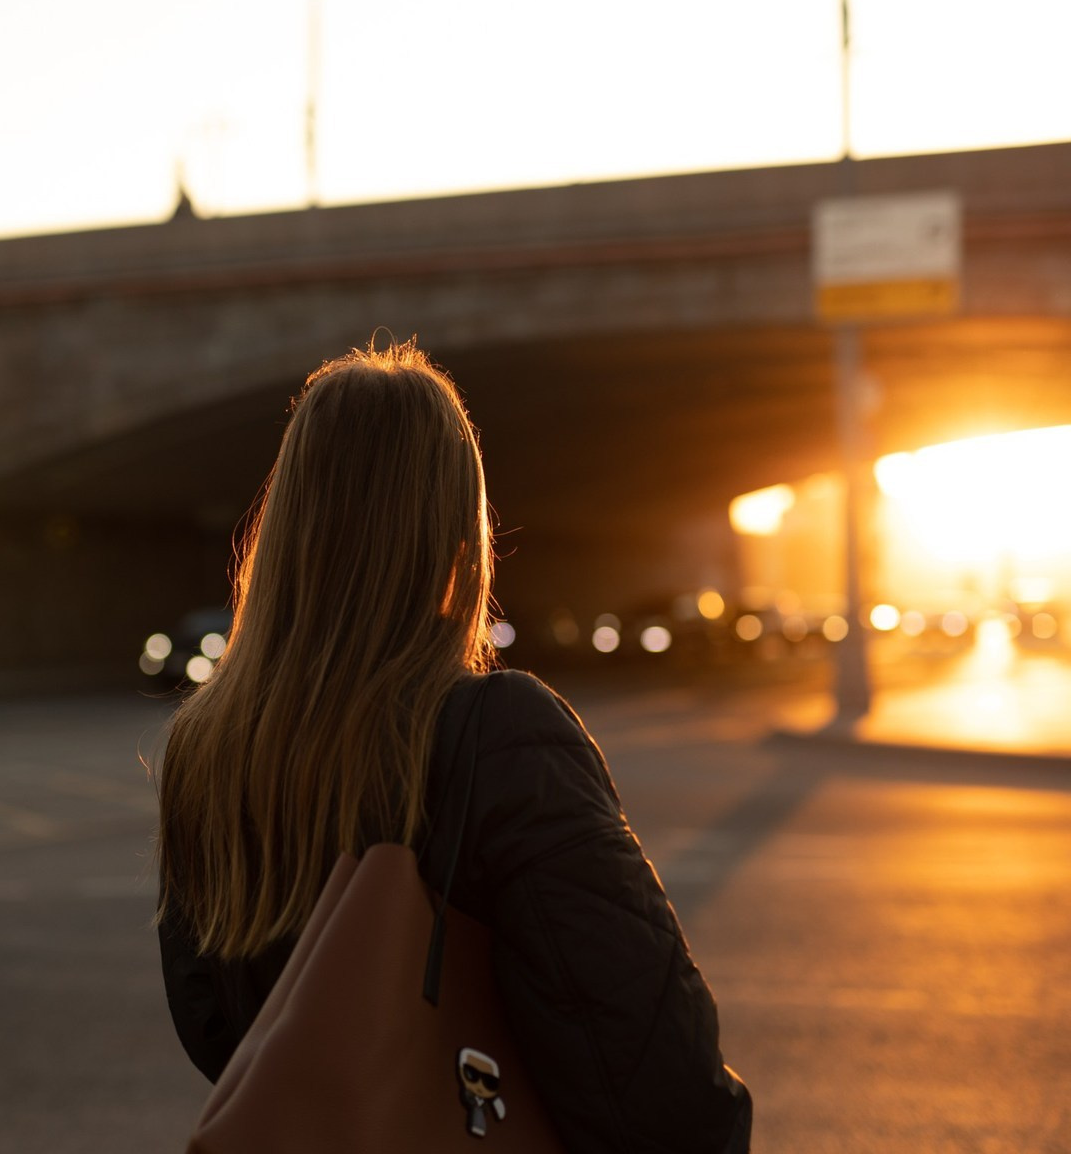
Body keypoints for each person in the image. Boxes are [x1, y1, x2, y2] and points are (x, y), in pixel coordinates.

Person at [155, 339, 752, 1154]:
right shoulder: (497, 733)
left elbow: (218, 1032)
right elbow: (658, 1075)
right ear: (454, 540)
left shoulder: (205, 753)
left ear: (286, 532)